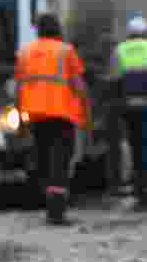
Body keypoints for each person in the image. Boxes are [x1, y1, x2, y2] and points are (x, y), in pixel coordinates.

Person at [15, 13, 91, 225]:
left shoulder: (25, 52)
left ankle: (50, 206)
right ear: (58, 28)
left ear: (38, 30)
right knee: (60, 161)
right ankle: (56, 212)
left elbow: (18, 89)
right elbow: (79, 86)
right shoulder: (66, 51)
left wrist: (20, 120)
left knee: (44, 161)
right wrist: (86, 114)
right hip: (62, 114)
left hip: (36, 115)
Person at [109, 16, 147, 211]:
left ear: (129, 34)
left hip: (129, 106)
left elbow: (114, 81)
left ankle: (139, 192)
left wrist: (117, 104)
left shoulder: (119, 50)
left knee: (135, 146)